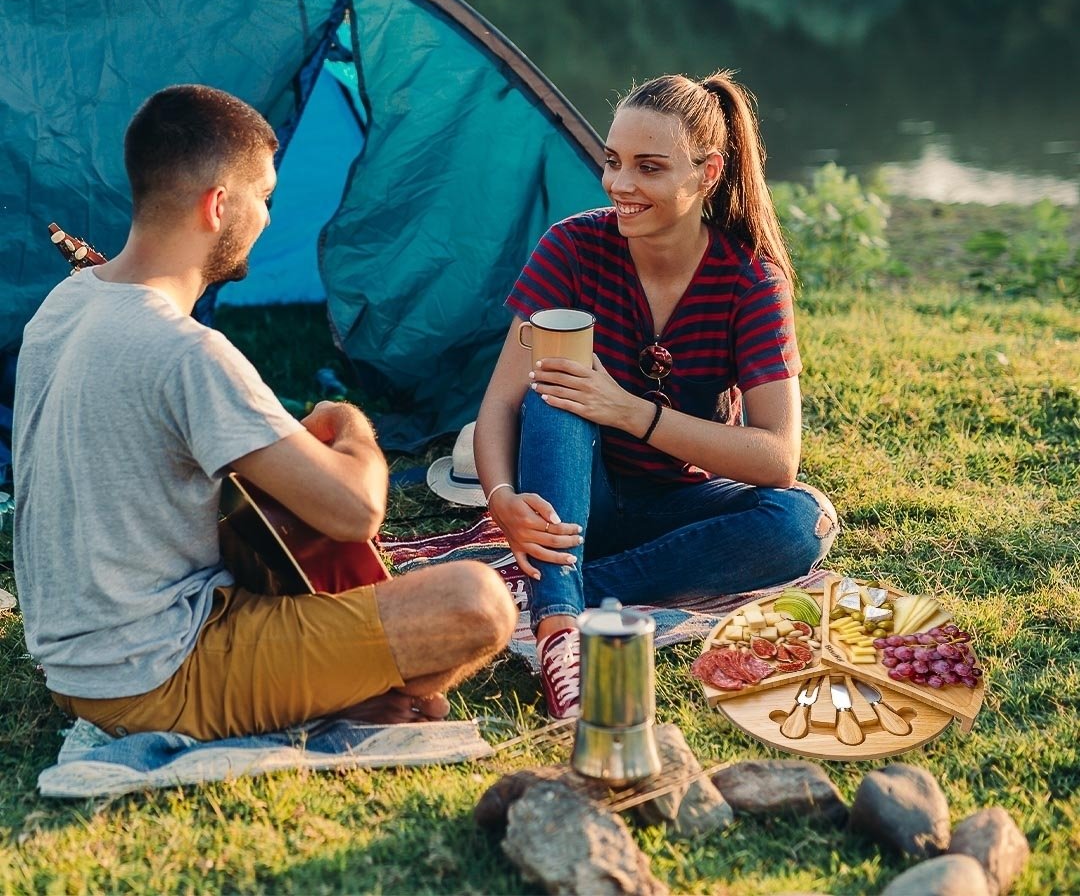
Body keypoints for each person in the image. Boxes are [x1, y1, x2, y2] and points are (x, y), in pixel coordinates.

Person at [13, 85, 517, 740]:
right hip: (154, 676)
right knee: (478, 604)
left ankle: (340, 684)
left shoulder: (67, 303)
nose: (269, 220)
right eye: (264, 198)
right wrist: (352, 428)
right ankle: (347, 693)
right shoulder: (185, 352)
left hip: (76, 662)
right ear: (218, 205)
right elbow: (354, 509)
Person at [474, 71, 838, 719]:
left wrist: (631, 412)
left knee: (803, 520)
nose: (620, 184)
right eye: (614, 162)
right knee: (555, 391)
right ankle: (560, 634)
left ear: (707, 173)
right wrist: (501, 500)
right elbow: (501, 404)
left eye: (648, 167)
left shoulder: (751, 279)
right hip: (581, 494)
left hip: (682, 506)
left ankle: (573, 586)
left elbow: (777, 458)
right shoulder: (572, 248)